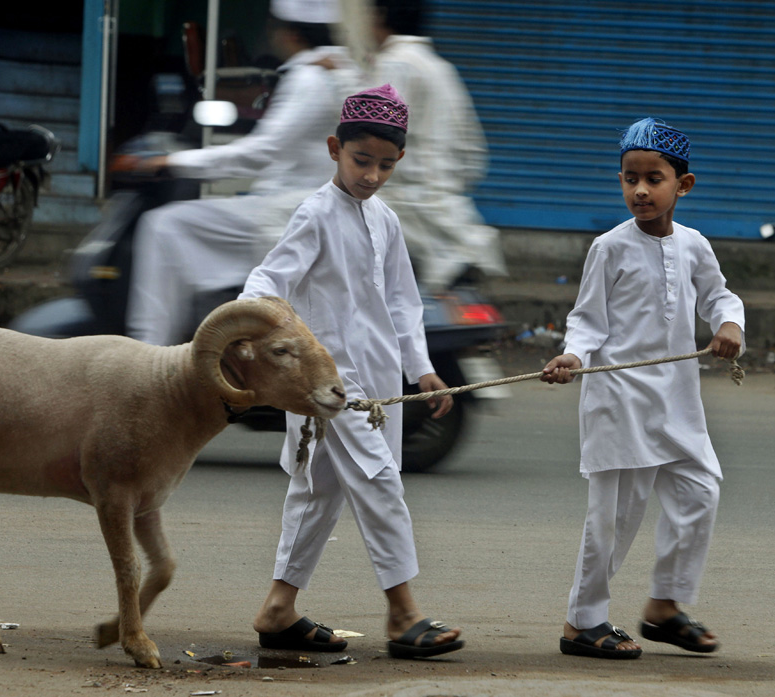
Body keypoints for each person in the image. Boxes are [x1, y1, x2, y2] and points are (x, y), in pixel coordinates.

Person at [239, 84, 465, 659]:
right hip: (329, 386)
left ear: (400, 162)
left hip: (381, 380)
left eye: (385, 165)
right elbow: (267, 283)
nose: (371, 175)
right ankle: (403, 614)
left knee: (317, 494)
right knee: (381, 482)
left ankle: (277, 609)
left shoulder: (385, 219)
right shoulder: (315, 213)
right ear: (335, 148)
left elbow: (403, 303)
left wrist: (422, 369)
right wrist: (252, 333)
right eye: (361, 160)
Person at [540, 117, 745, 659]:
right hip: (619, 400)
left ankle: (665, 606)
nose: (640, 190)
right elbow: (587, 320)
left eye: (654, 178)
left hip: (676, 398)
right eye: (630, 178)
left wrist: (730, 327)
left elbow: (719, 298)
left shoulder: (696, 245)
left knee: (700, 491)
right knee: (615, 517)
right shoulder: (609, 248)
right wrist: (572, 355)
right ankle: (582, 623)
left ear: (684, 185)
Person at [125, 0, 360, 345]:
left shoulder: (312, 78)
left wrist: (173, 163)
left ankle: (149, 358)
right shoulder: (340, 71)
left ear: (290, 33)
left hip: (291, 212)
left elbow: (262, 151)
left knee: (163, 226)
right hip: (306, 205)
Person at [367, 0, 506, 289]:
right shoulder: (442, 69)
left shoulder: (394, 64)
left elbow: (376, 134)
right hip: (454, 217)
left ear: (380, 16)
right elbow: (473, 153)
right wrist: (447, 189)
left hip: (407, 216)